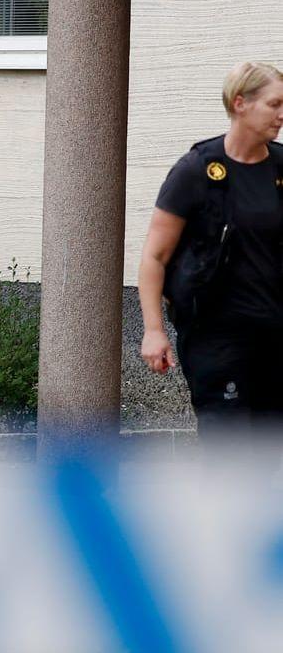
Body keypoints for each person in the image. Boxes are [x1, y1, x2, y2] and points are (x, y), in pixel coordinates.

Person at [138, 61, 283, 445]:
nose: (282, 115)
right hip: (216, 337)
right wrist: (153, 331)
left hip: (274, 335)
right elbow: (154, 257)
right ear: (240, 103)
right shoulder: (197, 171)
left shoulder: (281, 167)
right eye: (274, 104)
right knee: (229, 453)